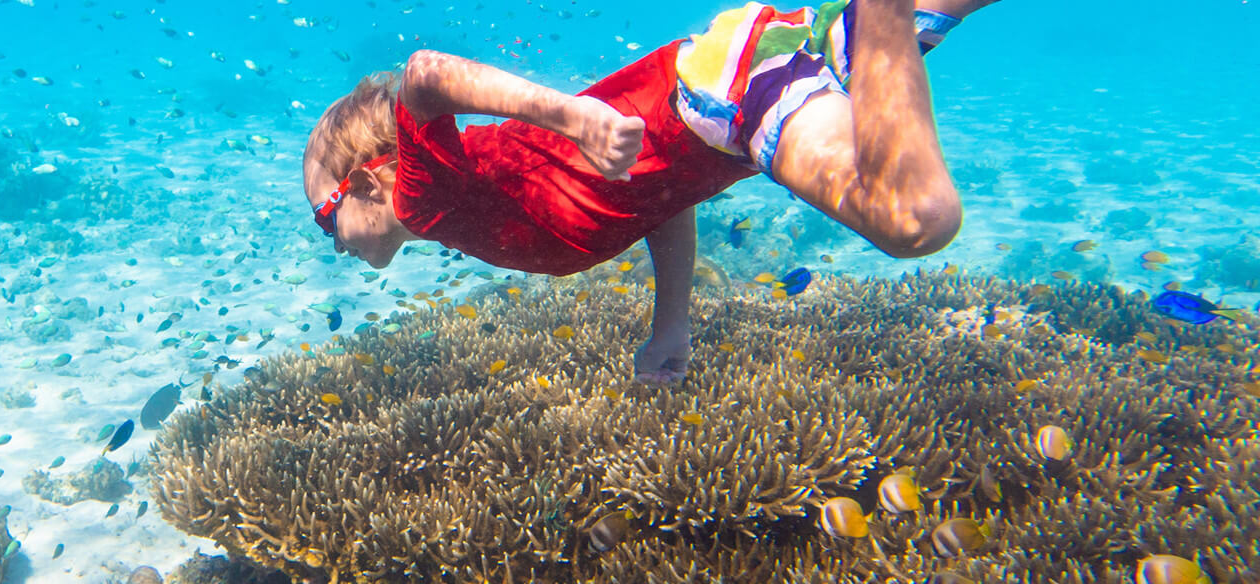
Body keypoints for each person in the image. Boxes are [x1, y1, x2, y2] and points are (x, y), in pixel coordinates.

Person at [302, 0, 1000, 384]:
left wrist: (571, 116)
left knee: (916, 218)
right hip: (735, 80)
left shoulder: (425, 196)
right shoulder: (469, 178)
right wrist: (670, 324)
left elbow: (423, 73)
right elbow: (656, 200)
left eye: (324, 220)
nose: (333, 243)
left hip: (724, 96)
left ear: (366, 182)